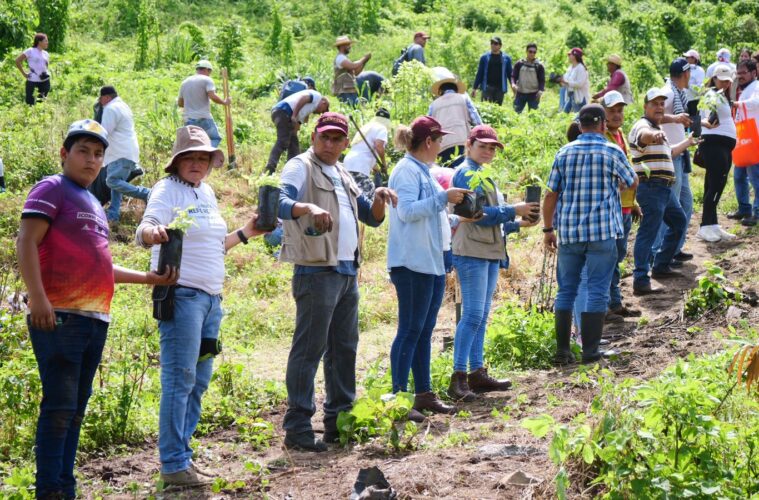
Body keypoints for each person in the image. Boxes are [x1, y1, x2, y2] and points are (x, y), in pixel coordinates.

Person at [18, 119, 178, 500]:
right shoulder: (52, 188)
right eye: (83, 152)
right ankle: (49, 491)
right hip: (60, 316)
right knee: (59, 407)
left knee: (74, 409)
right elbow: (25, 241)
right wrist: (37, 296)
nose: (91, 160)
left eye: (98, 154)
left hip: (94, 319)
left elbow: (101, 265)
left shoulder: (92, 201)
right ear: (64, 154)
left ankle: (65, 488)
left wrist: (148, 278)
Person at [136, 125, 265, 486]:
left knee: (198, 381)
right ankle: (173, 464)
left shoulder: (206, 192)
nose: (196, 163)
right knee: (180, 379)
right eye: (189, 157)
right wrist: (152, 233)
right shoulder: (166, 190)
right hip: (182, 297)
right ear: (176, 162)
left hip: (210, 301)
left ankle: (183, 457)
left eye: (203, 158)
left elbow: (214, 246)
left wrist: (246, 232)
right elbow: (147, 227)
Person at [278, 112, 397, 452]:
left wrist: (379, 198)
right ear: (313, 137)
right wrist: (307, 208)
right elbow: (279, 203)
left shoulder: (342, 171)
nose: (329, 144)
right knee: (309, 349)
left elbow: (370, 217)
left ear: (346, 143)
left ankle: (340, 421)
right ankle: (298, 427)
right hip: (316, 269)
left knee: (344, 348)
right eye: (324, 137)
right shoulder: (300, 166)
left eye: (336, 139)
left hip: (346, 270)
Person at [447, 125, 539, 401]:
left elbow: (493, 222)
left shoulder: (483, 174)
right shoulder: (466, 173)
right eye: (483, 146)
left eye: (492, 147)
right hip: (471, 250)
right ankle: (458, 377)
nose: (488, 151)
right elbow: (476, 214)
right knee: (473, 315)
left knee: (481, 314)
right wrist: (513, 210)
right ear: (469, 145)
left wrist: (518, 223)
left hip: (488, 249)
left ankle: (476, 372)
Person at [387, 115, 470, 418]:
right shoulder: (405, 172)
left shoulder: (424, 172)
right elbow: (407, 212)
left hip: (431, 262)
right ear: (428, 142)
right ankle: (399, 398)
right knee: (410, 329)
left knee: (424, 331)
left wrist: (458, 217)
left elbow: (433, 216)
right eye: (439, 140)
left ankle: (423, 394)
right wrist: (443, 198)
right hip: (412, 262)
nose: (441, 146)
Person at [543, 105, 637, 365]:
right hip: (602, 232)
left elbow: (550, 194)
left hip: (569, 233)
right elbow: (632, 181)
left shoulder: (564, 152)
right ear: (603, 125)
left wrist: (548, 229)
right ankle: (590, 351)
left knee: (566, 290)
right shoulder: (612, 151)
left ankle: (563, 351)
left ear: (580, 124)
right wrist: (615, 185)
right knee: (597, 290)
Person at [574, 91, 642, 329]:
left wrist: (633, 202)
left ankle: (614, 302)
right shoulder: (603, 139)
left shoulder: (620, 135)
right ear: (602, 117)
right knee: (606, 259)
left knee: (617, 257)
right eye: (611, 111)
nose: (617, 115)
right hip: (609, 210)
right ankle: (605, 306)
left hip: (624, 207)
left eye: (620, 110)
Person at [629, 88, 697, 295]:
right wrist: (654, 134)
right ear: (645, 107)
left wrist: (688, 142)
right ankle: (641, 279)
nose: (659, 107)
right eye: (654, 104)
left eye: (661, 104)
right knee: (648, 231)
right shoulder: (643, 126)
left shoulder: (658, 130)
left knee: (679, 222)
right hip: (651, 187)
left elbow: (671, 152)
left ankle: (661, 265)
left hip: (664, 189)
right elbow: (644, 137)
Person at [655, 57, 694, 264]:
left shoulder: (678, 93)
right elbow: (655, 116)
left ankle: (674, 248)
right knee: (672, 207)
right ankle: (661, 253)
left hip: (680, 153)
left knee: (686, 203)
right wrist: (676, 118)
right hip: (671, 155)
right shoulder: (669, 93)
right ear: (686, 74)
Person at [696, 65, 738, 242]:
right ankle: (705, 226)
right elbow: (707, 114)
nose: (726, 83)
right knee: (715, 185)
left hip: (722, 145)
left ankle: (712, 224)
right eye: (722, 80)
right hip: (715, 144)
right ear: (714, 79)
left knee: (715, 183)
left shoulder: (721, 95)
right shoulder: (712, 94)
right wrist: (708, 120)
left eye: (728, 80)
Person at [97, 86, 149, 223]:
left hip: (119, 153)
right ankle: (113, 215)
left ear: (106, 97)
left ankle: (146, 193)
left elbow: (104, 131)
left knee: (112, 181)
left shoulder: (110, 108)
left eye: (100, 98)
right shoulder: (123, 106)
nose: (100, 102)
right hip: (127, 151)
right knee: (116, 187)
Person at [265, 90, 330, 174]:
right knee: (283, 141)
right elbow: (303, 98)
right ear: (324, 103)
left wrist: (295, 129)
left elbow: (296, 126)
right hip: (284, 111)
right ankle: (270, 168)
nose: (319, 113)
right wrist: (294, 115)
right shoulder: (317, 96)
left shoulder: (307, 109)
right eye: (323, 111)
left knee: (293, 144)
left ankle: (293, 169)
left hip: (283, 113)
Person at [429, 67, 482, 167]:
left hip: (442, 146)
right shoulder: (463, 98)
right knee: (464, 171)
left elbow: (428, 126)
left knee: (447, 173)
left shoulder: (433, 105)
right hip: (462, 142)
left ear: (440, 91)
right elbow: (477, 121)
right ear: (456, 89)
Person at [729, 59, 759, 227]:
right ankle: (744, 209)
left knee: (756, 177)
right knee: (739, 175)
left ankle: (757, 213)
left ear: (754, 73)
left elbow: (757, 103)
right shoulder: (741, 88)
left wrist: (737, 104)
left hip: (754, 138)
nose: (739, 76)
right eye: (738, 73)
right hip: (743, 138)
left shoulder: (757, 86)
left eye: (743, 73)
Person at [177, 60, 229, 148]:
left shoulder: (184, 82)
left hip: (188, 120)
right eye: (210, 71)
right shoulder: (207, 79)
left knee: (193, 144)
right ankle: (207, 153)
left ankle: (197, 154)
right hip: (203, 118)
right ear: (207, 69)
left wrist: (192, 102)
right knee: (214, 138)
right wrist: (224, 102)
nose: (209, 74)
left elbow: (180, 103)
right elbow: (212, 96)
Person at [344, 108, 391, 200]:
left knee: (352, 197)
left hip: (349, 163)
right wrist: (384, 164)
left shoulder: (367, 127)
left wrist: (375, 168)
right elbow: (379, 146)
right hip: (359, 167)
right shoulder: (382, 128)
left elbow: (364, 149)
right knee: (367, 198)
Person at [472, 37, 513, 105]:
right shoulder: (484, 57)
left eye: (495, 43)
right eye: (492, 43)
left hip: (500, 88)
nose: (493, 45)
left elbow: (510, 74)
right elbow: (480, 73)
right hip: (487, 87)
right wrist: (474, 88)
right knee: (485, 107)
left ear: (500, 46)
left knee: (497, 108)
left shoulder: (506, 58)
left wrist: (513, 86)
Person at [332, 36, 371, 106]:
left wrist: (364, 62)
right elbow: (353, 66)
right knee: (354, 106)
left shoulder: (343, 57)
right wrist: (364, 59)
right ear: (342, 46)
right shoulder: (340, 58)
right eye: (348, 45)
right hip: (343, 90)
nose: (350, 46)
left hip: (349, 88)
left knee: (356, 106)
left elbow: (355, 72)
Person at [15, 33, 50, 105]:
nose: (47, 43)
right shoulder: (30, 51)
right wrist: (24, 73)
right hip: (32, 80)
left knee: (41, 102)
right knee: (30, 102)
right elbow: (18, 60)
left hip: (44, 81)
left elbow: (46, 66)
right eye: (45, 41)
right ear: (39, 42)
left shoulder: (46, 53)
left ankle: (39, 111)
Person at [511, 43, 545, 113]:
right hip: (520, 93)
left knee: (533, 115)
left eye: (534, 52)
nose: (532, 54)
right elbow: (513, 76)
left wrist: (541, 90)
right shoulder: (519, 64)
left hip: (533, 94)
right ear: (526, 51)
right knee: (515, 113)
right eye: (530, 51)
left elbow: (542, 80)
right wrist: (513, 84)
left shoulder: (539, 66)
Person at [559, 48, 590, 113]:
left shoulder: (581, 68)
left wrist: (566, 82)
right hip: (571, 95)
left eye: (570, 55)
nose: (569, 56)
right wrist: (560, 80)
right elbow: (566, 79)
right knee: (564, 114)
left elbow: (579, 84)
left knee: (578, 116)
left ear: (575, 56)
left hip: (580, 97)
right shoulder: (570, 67)